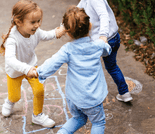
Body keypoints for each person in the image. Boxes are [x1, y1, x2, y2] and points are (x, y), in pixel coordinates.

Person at [31, 6, 111, 134]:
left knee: (79, 118)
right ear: (90, 25)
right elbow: (107, 51)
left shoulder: (68, 49)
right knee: (98, 122)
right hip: (93, 99)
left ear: (68, 32)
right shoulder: (98, 46)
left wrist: (39, 72)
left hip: (74, 98)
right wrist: (104, 41)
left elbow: (53, 63)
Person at [0, 0, 65, 128]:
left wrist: (56, 32)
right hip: (16, 71)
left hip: (31, 67)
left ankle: (37, 116)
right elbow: (10, 60)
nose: (37, 25)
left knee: (39, 89)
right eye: (33, 22)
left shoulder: (36, 31)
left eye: (39, 21)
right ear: (19, 22)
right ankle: (9, 101)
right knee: (15, 97)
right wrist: (26, 68)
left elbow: (46, 35)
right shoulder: (12, 39)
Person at [77, 0, 133, 102]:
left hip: (104, 40)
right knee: (112, 67)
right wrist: (64, 25)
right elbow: (76, 11)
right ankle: (125, 93)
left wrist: (103, 35)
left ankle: (90, 96)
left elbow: (104, 15)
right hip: (113, 37)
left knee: (90, 67)